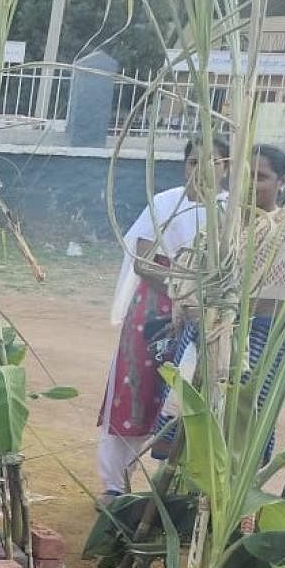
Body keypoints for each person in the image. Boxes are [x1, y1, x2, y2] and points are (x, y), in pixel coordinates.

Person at [157, 144, 285, 463]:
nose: (248, 185)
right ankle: (179, 506)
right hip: (202, 340)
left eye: (260, 177)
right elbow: (187, 287)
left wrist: (228, 305)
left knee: (239, 439)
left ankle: (231, 511)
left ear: (283, 182)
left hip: (259, 350)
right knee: (184, 434)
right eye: (243, 177)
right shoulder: (218, 230)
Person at [96, 135, 229, 499]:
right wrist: (183, 286)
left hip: (206, 317)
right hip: (155, 310)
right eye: (192, 162)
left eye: (211, 162)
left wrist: (199, 297)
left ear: (226, 167)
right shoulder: (165, 203)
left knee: (190, 395)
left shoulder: (231, 212)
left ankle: (177, 489)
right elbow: (143, 258)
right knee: (134, 388)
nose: (199, 170)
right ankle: (114, 485)